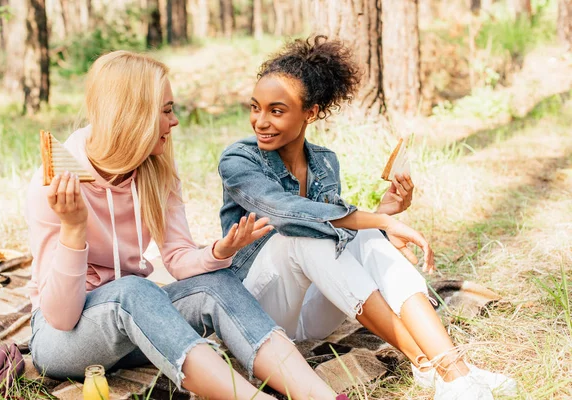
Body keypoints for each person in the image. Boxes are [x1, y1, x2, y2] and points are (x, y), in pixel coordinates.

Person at [26, 50, 345, 400]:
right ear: (134, 116)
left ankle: (319, 396)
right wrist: (73, 229)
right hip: (63, 340)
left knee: (216, 283)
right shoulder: (57, 184)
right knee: (134, 289)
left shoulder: (156, 170)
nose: (174, 121)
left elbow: (177, 258)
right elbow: (59, 317)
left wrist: (218, 251)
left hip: (137, 326)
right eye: (165, 111)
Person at [218, 36, 517, 400]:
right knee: (304, 235)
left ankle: (454, 371)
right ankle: (429, 364)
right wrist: (381, 221)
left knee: (364, 237)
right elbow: (287, 213)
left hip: (311, 314)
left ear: (310, 113)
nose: (260, 121)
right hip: (256, 314)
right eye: (255, 107)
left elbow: (343, 233)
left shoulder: (325, 162)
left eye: (276, 111)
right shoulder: (239, 160)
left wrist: (384, 215)